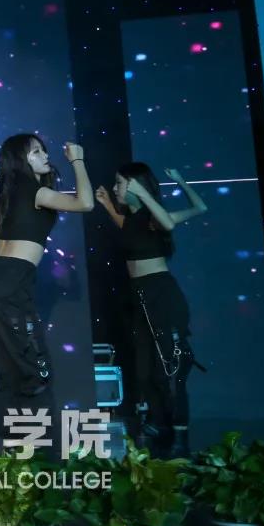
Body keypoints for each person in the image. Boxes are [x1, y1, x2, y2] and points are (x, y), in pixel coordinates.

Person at [0, 134, 93, 448]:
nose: (45, 155)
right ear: (20, 161)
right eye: (36, 152)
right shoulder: (34, 190)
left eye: (43, 150)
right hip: (10, 279)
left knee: (8, 370)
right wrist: (78, 161)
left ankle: (15, 450)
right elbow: (85, 203)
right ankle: (40, 452)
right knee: (35, 370)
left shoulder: (13, 190)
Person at [96, 163, 207, 456]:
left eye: (120, 183)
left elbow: (197, 209)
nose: (116, 188)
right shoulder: (133, 220)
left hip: (161, 294)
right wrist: (107, 204)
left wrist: (178, 181)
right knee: (144, 371)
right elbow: (125, 227)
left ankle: (180, 437)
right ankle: (159, 426)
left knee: (170, 367)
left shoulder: (155, 217)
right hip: (138, 296)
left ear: (135, 185)